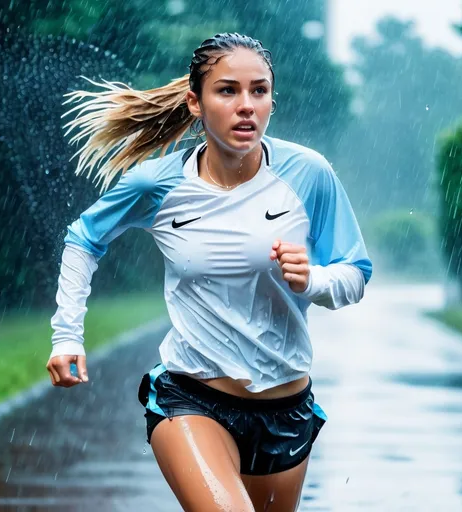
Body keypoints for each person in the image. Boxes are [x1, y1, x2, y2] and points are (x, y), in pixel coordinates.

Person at [46, 33, 372, 512]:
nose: (246, 106)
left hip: (285, 410)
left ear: (271, 102)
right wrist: (66, 334)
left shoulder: (309, 175)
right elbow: (84, 238)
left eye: (259, 91)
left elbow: (356, 273)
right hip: (192, 398)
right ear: (195, 103)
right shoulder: (157, 183)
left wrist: (314, 280)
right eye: (228, 91)